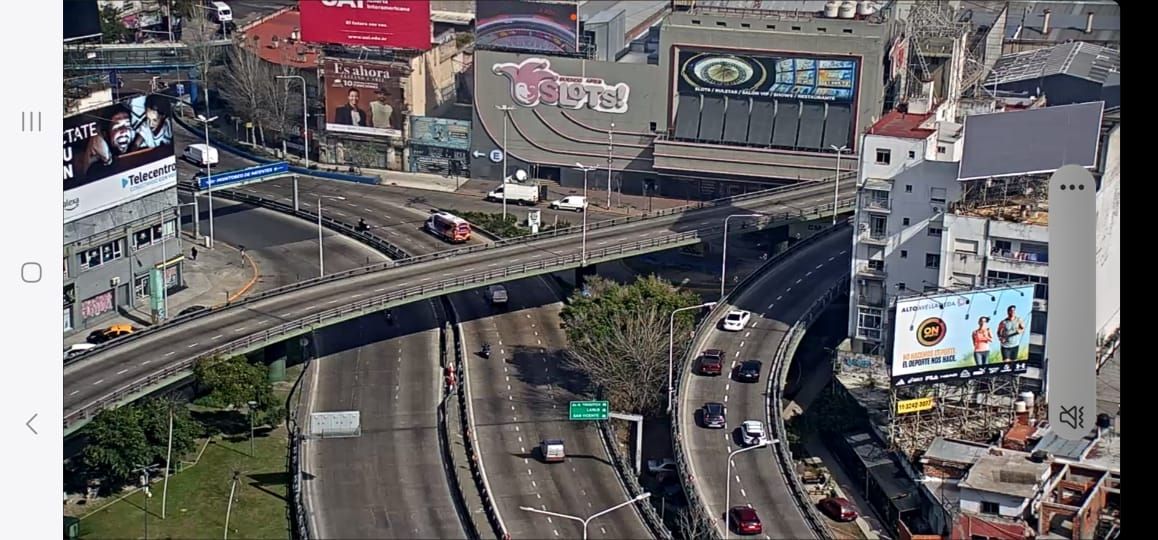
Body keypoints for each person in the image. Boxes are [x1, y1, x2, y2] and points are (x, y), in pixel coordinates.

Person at [84, 104, 138, 180]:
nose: (124, 131)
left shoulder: (138, 145)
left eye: (127, 125)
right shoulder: (96, 168)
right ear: (105, 134)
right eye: (117, 127)